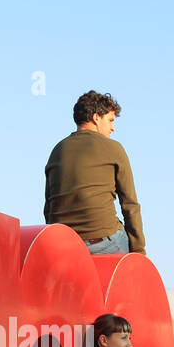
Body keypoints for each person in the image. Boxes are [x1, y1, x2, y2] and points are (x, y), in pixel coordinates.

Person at [44, 91, 145, 255]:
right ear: (96, 117)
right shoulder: (114, 148)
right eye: (111, 120)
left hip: (64, 244)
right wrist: (139, 251)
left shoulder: (57, 150)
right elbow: (130, 205)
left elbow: (48, 207)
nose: (113, 127)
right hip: (104, 242)